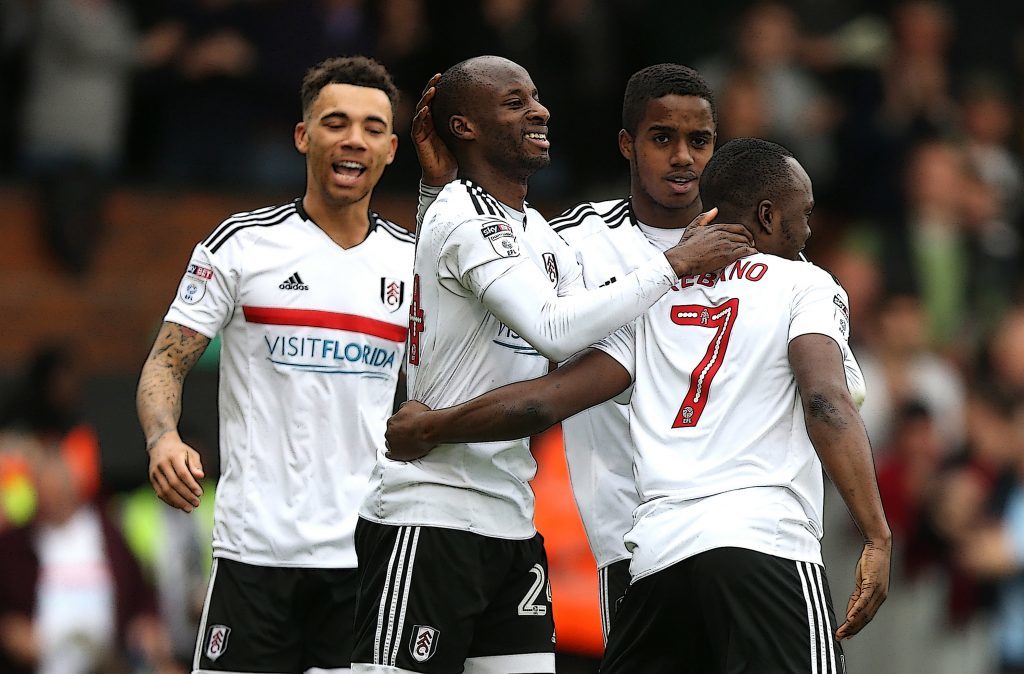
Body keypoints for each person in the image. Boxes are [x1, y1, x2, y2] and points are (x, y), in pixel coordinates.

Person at [386, 138, 892, 673]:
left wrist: (433, 427)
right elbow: (826, 401)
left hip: (658, 562)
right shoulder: (805, 283)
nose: (810, 232)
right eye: (804, 215)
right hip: (764, 545)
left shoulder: (654, 297)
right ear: (768, 216)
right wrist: (877, 536)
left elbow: (541, 404)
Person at [351, 55, 754, 674]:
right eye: (514, 103)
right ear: (466, 127)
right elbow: (555, 328)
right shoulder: (466, 211)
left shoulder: (537, 233)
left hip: (512, 520)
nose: (539, 110)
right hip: (432, 513)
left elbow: (587, 351)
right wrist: (674, 265)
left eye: (536, 97)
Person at [136, 55, 414, 674]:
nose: (353, 140)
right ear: (302, 136)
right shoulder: (241, 244)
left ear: (391, 149)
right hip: (254, 553)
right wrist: (162, 438)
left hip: (367, 558)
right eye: (335, 122)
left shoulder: (414, 263)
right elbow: (164, 363)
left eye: (372, 128)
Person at [546, 62, 719, 637]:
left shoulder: (751, 248)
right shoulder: (573, 243)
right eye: (662, 138)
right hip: (629, 536)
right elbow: (546, 342)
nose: (683, 158)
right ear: (627, 143)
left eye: (699, 141)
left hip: (734, 538)